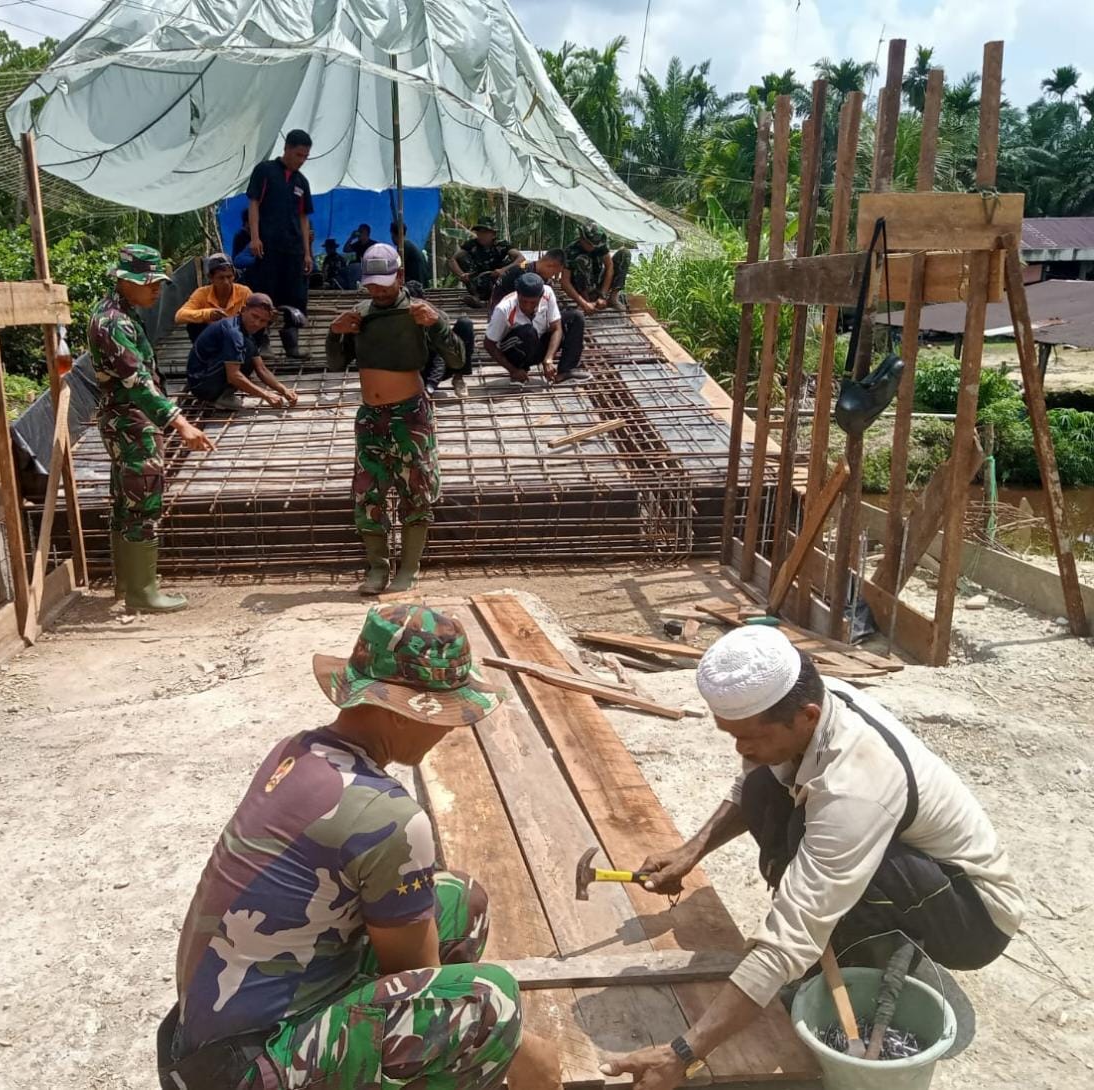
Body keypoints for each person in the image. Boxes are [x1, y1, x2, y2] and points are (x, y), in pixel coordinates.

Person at [601, 626, 1024, 1088]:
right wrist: (691, 850)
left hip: (971, 917)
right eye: (731, 735)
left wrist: (682, 1053)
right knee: (766, 785)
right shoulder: (814, 702)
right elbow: (751, 780)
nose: (740, 748)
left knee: (818, 855)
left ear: (806, 716)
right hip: (916, 871)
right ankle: (852, 941)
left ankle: (866, 958)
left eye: (748, 737)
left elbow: (793, 930)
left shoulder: (856, 788)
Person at [160, 603, 560, 1090]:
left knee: (459, 902)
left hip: (205, 1040)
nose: (451, 729)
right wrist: (523, 1050)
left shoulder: (296, 751)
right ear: (401, 712)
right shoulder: (388, 817)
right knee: (489, 1003)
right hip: (245, 1069)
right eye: (447, 713)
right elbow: (421, 981)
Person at [325, 244, 466, 595]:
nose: (377, 290)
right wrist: (335, 331)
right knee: (367, 494)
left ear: (400, 276)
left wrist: (439, 325)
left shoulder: (419, 312)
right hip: (371, 418)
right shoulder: (360, 313)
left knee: (415, 492)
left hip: (410, 415)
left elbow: (458, 359)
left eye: (384, 283)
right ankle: (377, 568)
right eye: (371, 284)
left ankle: (409, 569)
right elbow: (336, 364)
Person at [88, 244, 215, 613]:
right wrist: (181, 424)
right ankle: (143, 592)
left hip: (129, 419)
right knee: (143, 501)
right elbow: (138, 381)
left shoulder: (121, 313)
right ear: (126, 282)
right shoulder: (113, 323)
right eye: (150, 283)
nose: (157, 290)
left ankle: (128, 585)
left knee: (127, 501)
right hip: (132, 421)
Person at [246, 129, 315, 360]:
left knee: (295, 296)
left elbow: (304, 218)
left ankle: (291, 343)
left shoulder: (302, 182)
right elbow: (254, 203)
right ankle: (261, 341)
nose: (301, 161)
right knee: (266, 293)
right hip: (268, 246)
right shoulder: (265, 171)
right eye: (298, 155)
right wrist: (255, 237)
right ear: (286, 148)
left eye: (305, 157)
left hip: (294, 249)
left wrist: (307, 253)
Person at [185, 293, 298, 411]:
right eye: (254, 316)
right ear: (243, 310)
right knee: (243, 353)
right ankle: (215, 396)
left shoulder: (245, 331)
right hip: (201, 383)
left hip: (208, 375)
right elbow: (233, 376)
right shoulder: (233, 332)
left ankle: (222, 393)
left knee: (249, 350)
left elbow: (261, 369)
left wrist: (284, 390)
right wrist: (266, 395)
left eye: (263, 320)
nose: (257, 323)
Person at [483, 272, 587, 388]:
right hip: (516, 349)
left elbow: (556, 327)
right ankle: (520, 371)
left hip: (538, 343)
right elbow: (489, 344)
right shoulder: (503, 309)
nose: (527, 306)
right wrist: (513, 370)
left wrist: (548, 358)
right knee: (528, 331)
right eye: (524, 301)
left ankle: (564, 371)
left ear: (541, 296)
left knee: (575, 317)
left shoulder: (547, 293)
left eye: (532, 302)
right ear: (518, 295)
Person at [405, 281, 475, 398]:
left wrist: (430, 387)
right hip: (411, 370)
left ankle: (458, 378)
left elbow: (441, 354)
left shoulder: (436, 316)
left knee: (465, 324)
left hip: (438, 365)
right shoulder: (398, 319)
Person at [175, 254, 251, 342]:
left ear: (234, 276)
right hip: (213, 336)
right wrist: (208, 314)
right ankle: (204, 352)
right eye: (221, 278)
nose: (226, 282)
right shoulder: (201, 293)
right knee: (193, 326)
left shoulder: (244, 292)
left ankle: (258, 347)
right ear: (211, 278)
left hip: (238, 335)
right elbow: (179, 316)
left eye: (229, 277)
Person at [560, 222, 631, 315]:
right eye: (590, 244)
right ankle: (587, 301)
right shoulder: (571, 251)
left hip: (598, 282)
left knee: (624, 253)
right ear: (582, 239)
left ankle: (613, 298)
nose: (593, 247)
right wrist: (583, 303)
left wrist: (603, 296)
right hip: (581, 287)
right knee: (583, 260)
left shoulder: (600, 246)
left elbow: (609, 267)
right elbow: (565, 282)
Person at [448, 222, 523, 306]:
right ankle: (477, 298)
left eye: (484, 232)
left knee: (516, 265)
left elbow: (521, 258)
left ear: (493, 235)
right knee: (462, 258)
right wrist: (461, 274)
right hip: (478, 282)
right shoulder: (471, 244)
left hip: (499, 282)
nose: (481, 235)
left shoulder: (501, 244)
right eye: (479, 232)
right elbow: (452, 260)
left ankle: (494, 300)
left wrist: (503, 270)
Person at [488, 248, 566, 310]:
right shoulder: (523, 272)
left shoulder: (542, 278)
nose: (552, 276)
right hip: (503, 313)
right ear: (550, 265)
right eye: (554, 273)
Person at [391, 221, 429, 287]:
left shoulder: (403, 247)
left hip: (416, 284)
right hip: (422, 282)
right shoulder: (408, 244)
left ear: (393, 235)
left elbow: (397, 267)